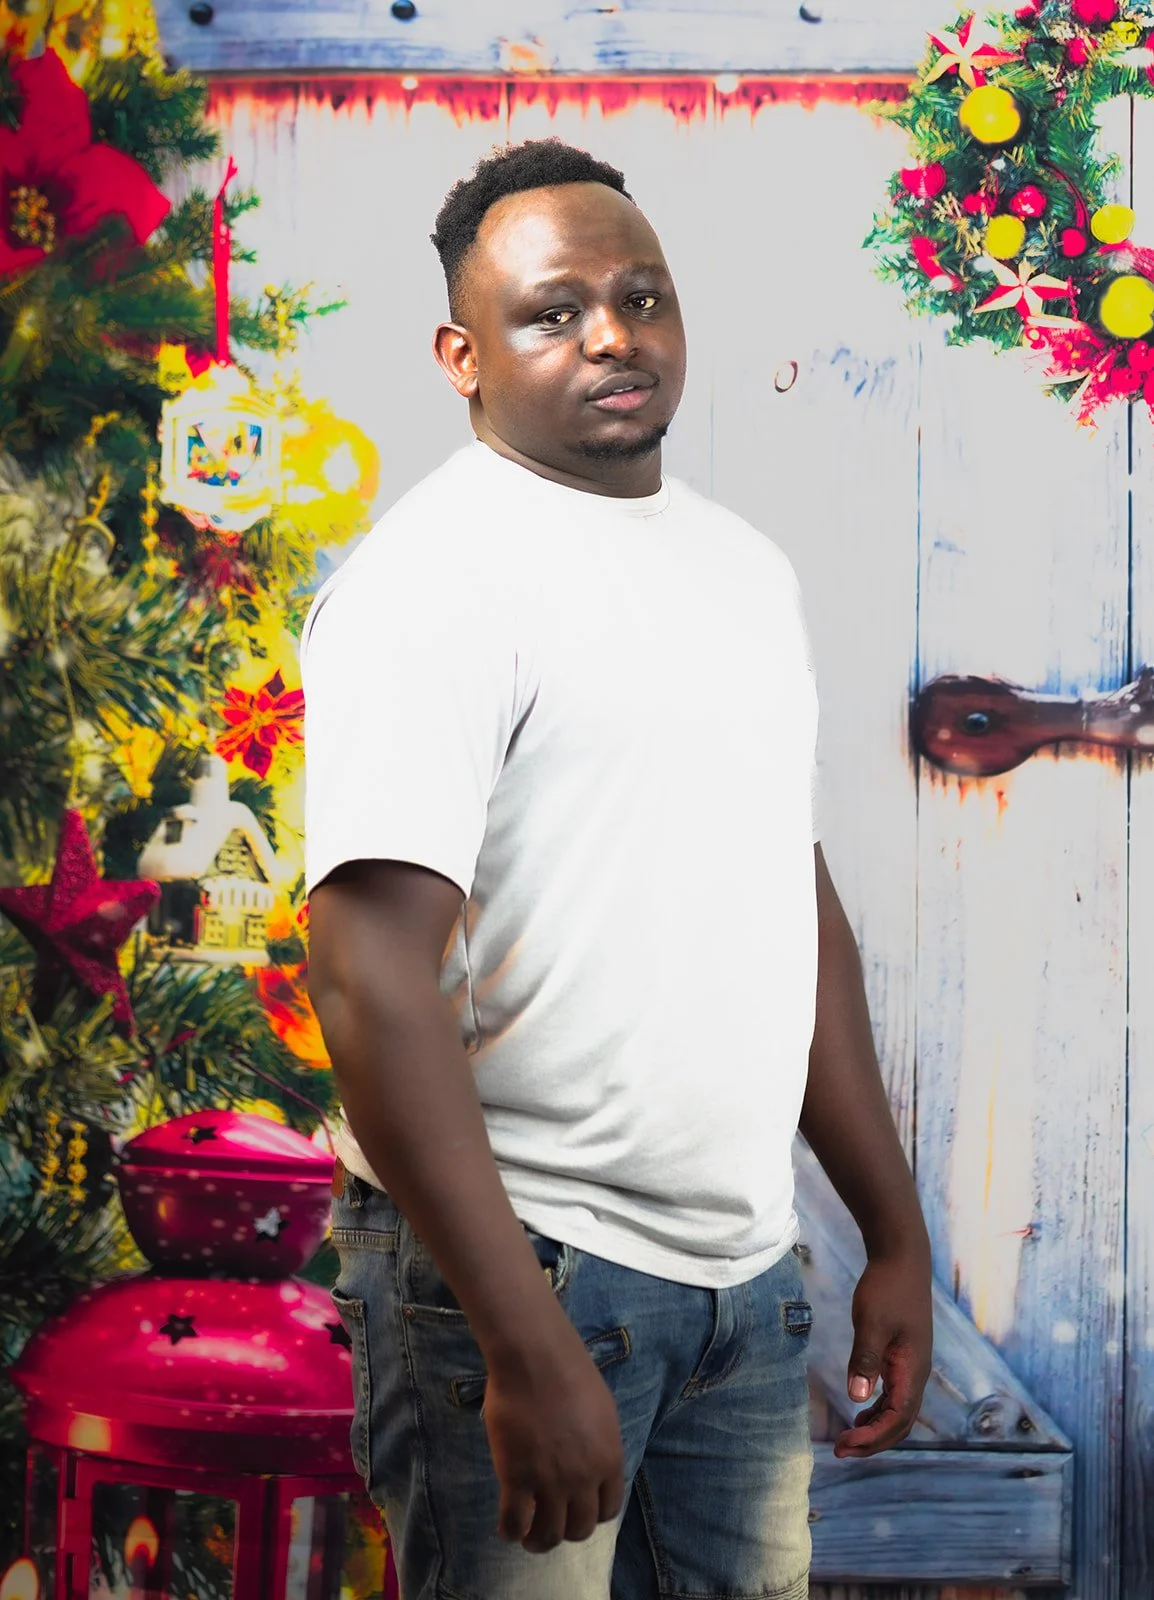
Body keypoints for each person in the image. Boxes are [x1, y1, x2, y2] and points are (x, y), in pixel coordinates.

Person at [303, 137, 932, 1600]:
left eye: (640, 298)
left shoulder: (739, 569)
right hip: (521, 1269)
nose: (609, 334)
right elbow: (366, 969)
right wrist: (518, 1338)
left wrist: (889, 1234)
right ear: (462, 354)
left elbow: (792, 909)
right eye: (553, 310)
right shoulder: (433, 582)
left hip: (738, 1279)